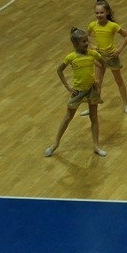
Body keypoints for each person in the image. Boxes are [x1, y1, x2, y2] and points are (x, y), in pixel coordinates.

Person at [44, 27, 107, 158]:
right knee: (68, 117)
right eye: (83, 41)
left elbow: (103, 64)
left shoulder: (92, 54)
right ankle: (55, 144)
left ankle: (96, 145)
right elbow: (59, 70)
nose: (86, 43)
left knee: (94, 117)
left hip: (91, 90)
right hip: (77, 92)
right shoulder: (71, 57)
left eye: (87, 41)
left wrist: (99, 80)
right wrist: (67, 86)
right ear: (75, 44)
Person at [83, 0, 127, 116]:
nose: (99, 15)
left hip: (112, 57)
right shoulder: (92, 25)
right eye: (97, 13)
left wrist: (119, 50)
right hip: (100, 57)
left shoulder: (113, 26)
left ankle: (126, 105)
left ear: (107, 12)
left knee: (118, 80)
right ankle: (92, 108)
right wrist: (92, 45)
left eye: (101, 12)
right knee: (97, 82)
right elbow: (86, 37)